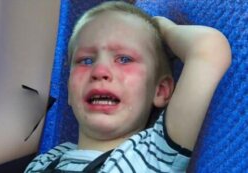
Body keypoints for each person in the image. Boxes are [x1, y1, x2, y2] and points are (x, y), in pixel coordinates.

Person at [25, 1, 231, 172]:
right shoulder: (46, 160)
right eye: (86, 61)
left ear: (160, 90)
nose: (99, 71)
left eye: (124, 59)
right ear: (69, 91)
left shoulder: (154, 152)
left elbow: (208, 49)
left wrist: (160, 27)